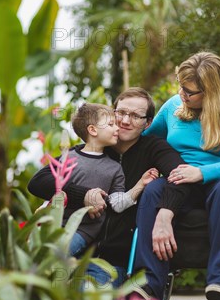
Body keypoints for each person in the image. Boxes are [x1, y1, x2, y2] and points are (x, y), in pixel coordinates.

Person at [133, 51, 220, 300]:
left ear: (213, 92)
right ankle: (148, 283)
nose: (182, 95)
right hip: (188, 184)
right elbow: (147, 143)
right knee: (155, 189)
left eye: (190, 92)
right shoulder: (173, 108)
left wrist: (202, 172)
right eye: (181, 87)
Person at [27, 88, 191, 285]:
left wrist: (166, 213)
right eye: (120, 112)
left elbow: (181, 176)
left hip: (111, 261)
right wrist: (84, 194)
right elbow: (38, 182)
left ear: (147, 123)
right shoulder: (90, 149)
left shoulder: (154, 149)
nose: (125, 121)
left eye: (136, 116)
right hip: (73, 245)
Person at [60, 102, 158, 257]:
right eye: (111, 124)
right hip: (55, 225)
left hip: (82, 231)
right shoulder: (69, 158)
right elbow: (53, 188)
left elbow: (117, 204)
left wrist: (140, 184)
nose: (117, 128)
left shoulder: (114, 168)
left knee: (55, 255)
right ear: (92, 130)